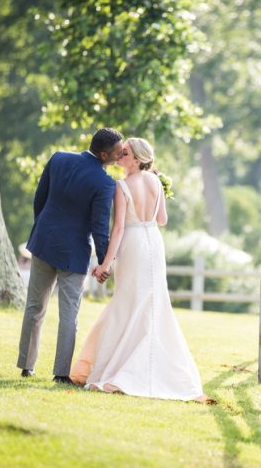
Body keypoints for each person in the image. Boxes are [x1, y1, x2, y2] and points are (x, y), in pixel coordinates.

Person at [70, 138, 212, 403]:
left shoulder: (121, 186)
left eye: (124, 153)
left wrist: (106, 263)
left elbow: (119, 228)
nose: (118, 156)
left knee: (127, 301)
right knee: (153, 303)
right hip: (153, 243)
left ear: (136, 159)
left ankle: (120, 369)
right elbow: (162, 220)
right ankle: (152, 368)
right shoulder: (157, 182)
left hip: (133, 245)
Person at [17, 128, 123, 383]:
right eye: (118, 153)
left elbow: (39, 199)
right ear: (103, 154)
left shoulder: (59, 158)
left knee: (34, 307)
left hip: (44, 242)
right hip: (74, 253)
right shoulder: (105, 183)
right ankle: (61, 373)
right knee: (69, 315)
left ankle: (26, 365)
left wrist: (43, 227)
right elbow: (99, 227)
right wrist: (104, 260)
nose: (121, 156)